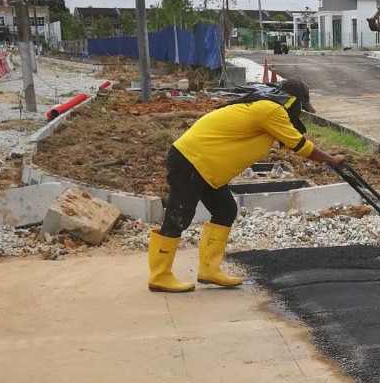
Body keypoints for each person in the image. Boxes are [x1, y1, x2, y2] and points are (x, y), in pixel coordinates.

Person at [148, 77, 346, 293]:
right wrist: (331, 159)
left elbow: (290, 136)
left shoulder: (265, 107)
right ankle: (160, 276)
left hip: (207, 167)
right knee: (179, 216)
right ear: (293, 102)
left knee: (225, 209)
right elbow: (300, 146)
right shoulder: (271, 110)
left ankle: (209, 270)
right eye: (300, 107)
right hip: (192, 161)